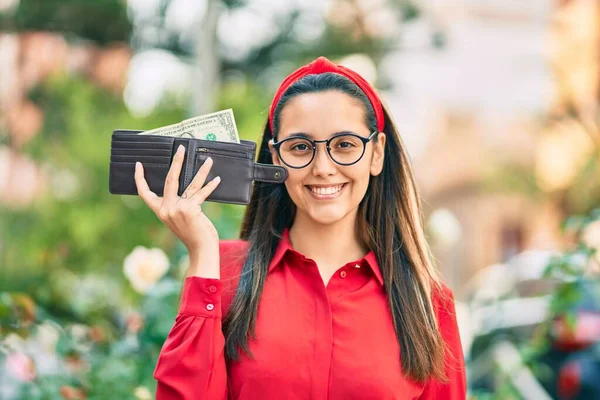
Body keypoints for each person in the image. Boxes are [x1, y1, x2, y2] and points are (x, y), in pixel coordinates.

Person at [135, 56, 467, 399]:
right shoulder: (223, 272)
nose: (323, 168)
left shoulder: (429, 302)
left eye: (345, 145)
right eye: (300, 148)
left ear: (377, 153)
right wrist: (202, 253)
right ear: (276, 157)